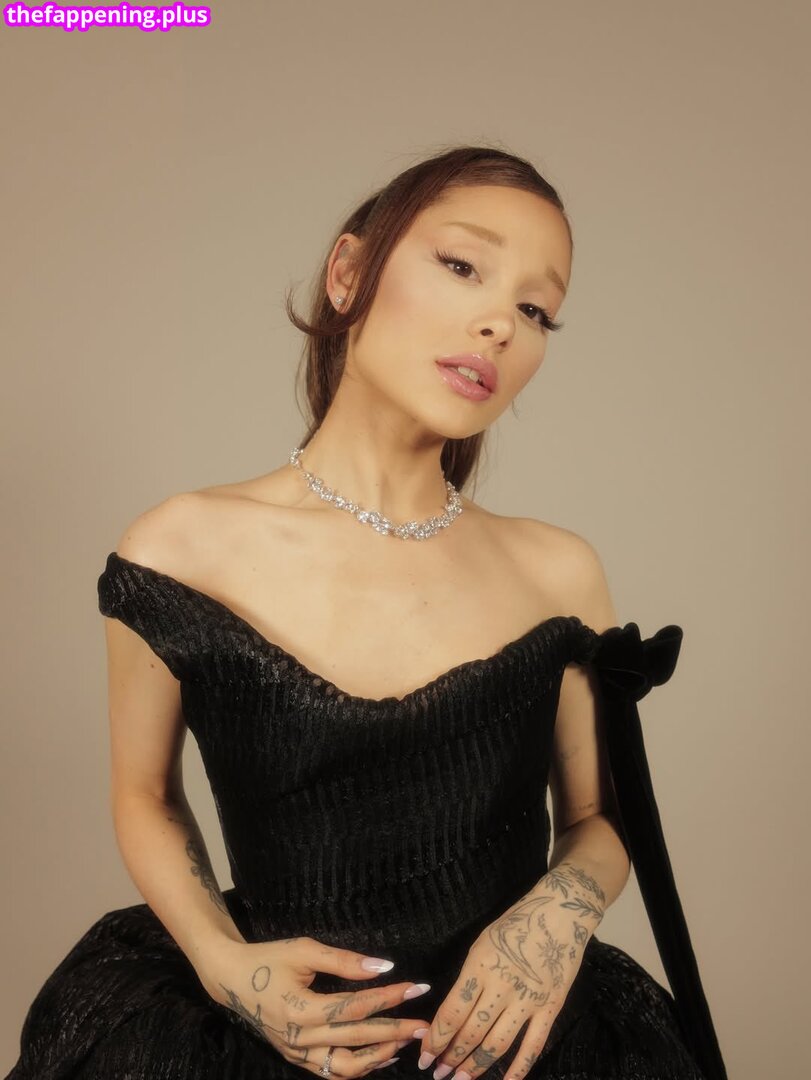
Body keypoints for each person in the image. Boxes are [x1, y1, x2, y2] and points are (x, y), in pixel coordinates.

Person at [6, 145, 726, 1080]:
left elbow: (597, 816)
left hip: (519, 1047)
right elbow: (145, 796)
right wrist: (224, 967)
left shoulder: (557, 569)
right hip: (271, 1038)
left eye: (535, 310)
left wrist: (559, 916)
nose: (499, 325)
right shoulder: (180, 547)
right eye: (462, 265)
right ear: (348, 273)